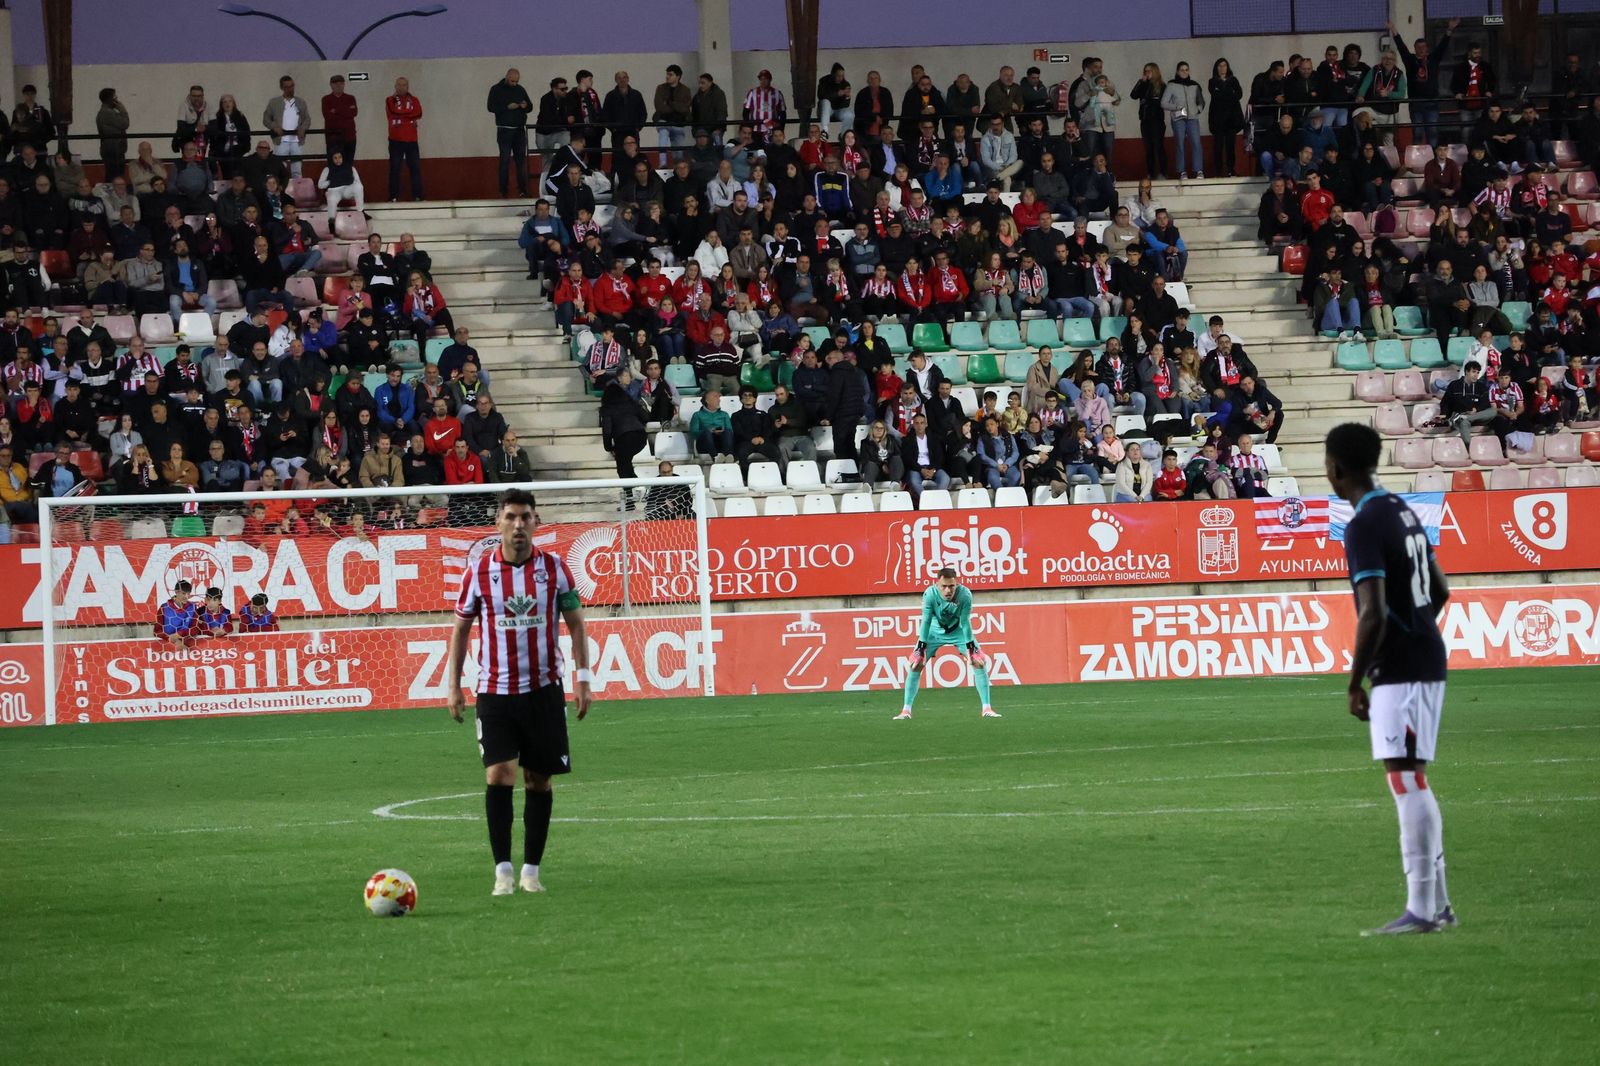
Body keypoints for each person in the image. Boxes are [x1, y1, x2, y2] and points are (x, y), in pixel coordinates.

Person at [1323, 422, 1455, 935]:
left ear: (1336, 468)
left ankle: (1422, 909)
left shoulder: (1362, 525)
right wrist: (1417, 628)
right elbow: (1440, 590)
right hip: (1423, 656)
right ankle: (1437, 905)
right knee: (1411, 775)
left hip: (1402, 668)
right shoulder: (1401, 509)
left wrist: (1356, 681)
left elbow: (1372, 611)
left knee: (1406, 777)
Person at [446, 489, 593, 897]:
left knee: (539, 781)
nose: (518, 525)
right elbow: (460, 629)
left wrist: (583, 678)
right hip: (495, 692)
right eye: (510, 517)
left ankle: (531, 870)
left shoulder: (556, 569)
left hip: (545, 692)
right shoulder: (477, 572)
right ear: (498, 523)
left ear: (536, 523)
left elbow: (576, 623)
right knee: (499, 773)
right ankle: (503, 871)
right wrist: (453, 684)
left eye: (525, 517)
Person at [896, 567, 999, 721]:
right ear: (937, 585)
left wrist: (972, 649)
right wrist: (921, 649)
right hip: (933, 632)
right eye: (943, 586)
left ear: (956, 584)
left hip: (958, 631)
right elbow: (926, 621)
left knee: (979, 662)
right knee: (915, 664)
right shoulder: (930, 594)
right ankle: (906, 711)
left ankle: (987, 708)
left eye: (951, 586)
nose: (948, 590)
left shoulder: (965, 595)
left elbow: (965, 622)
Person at [487, 69, 534, 198]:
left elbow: (530, 106)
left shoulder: (520, 89)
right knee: (504, 161)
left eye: (517, 81)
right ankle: (503, 191)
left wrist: (525, 106)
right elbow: (490, 107)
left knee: (521, 161)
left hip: (519, 129)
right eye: (512, 81)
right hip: (504, 130)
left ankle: (523, 190)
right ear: (507, 77)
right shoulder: (496, 89)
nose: (514, 83)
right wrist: (507, 107)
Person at [262, 75, 309, 178]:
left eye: (292, 86)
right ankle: (279, 191)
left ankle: (297, 192)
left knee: (297, 169)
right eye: (287, 87)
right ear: (282, 88)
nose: (290, 89)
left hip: (297, 140)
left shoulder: (301, 102)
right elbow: (266, 119)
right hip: (281, 140)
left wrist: (303, 128)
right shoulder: (274, 102)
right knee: (279, 168)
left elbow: (307, 119)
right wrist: (274, 126)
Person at [386, 77, 424, 201]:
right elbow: (393, 112)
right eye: (399, 85)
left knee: (415, 169)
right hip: (395, 140)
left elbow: (418, 114)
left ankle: (418, 196)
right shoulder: (390, 100)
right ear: (395, 86)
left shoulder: (414, 100)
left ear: (408, 87)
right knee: (395, 169)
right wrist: (409, 115)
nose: (401, 87)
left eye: (404, 85)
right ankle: (393, 197)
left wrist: (402, 114)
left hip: (412, 140)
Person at [321, 75, 358, 161]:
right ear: (331, 85)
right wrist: (346, 109)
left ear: (344, 84)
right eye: (336, 84)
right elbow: (328, 116)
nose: (339, 86)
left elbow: (354, 112)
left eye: (341, 83)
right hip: (333, 138)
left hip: (349, 137)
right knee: (334, 164)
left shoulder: (350, 98)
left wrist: (335, 110)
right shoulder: (326, 99)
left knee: (349, 162)